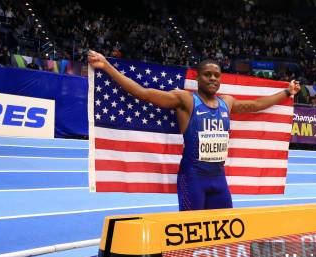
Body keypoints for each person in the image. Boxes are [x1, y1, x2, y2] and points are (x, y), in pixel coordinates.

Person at [88, 50, 300, 211]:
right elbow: (143, 93)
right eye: (207, 74)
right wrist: (106, 65)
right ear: (197, 77)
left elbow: (255, 105)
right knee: (192, 231)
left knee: (224, 228)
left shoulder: (227, 102)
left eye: (216, 75)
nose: (213, 79)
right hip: (193, 178)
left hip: (218, 178)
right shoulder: (186, 100)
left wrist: (286, 92)